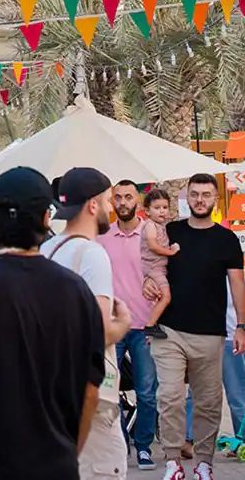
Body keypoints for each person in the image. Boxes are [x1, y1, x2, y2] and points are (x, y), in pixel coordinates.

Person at [0, 167, 121, 480]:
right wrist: (69, 454)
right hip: (55, 466)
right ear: (46, 218)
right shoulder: (75, 291)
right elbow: (89, 391)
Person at [144, 173, 245, 480]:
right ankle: (173, 461)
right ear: (186, 197)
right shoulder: (170, 231)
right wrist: (146, 281)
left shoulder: (227, 239)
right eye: (194, 194)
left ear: (215, 199)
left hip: (210, 333)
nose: (200, 200)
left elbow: (237, 284)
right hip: (169, 331)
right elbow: (151, 264)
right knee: (170, 397)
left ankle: (204, 462)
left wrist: (242, 326)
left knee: (208, 402)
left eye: (206, 194)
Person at [43, 167, 133, 479]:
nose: (112, 208)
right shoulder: (92, 254)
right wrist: (123, 323)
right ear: (93, 205)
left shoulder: (47, 249)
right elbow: (97, 333)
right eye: (108, 200)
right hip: (88, 393)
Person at [101, 180, 159, 470]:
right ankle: (121, 443)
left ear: (138, 200)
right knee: (110, 392)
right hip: (113, 327)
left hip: (145, 325)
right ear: (112, 201)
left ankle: (144, 446)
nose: (123, 202)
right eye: (118, 197)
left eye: (128, 197)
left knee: (147, 392)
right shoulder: (102, 238)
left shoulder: (151, 235)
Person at [183, 278, 245, 451]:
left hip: (231, 341)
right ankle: (188, 439)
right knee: (196, 392)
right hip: (205, 340)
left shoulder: (238, 279)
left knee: (237, 395)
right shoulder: (200, 275)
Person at [140, 189, 180, 339]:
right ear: (147, 211)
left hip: (159, 268)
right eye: (157, 208)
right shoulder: (150, 225)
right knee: (166, 297)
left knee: (158, 296)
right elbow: (152, 245)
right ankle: (150, 325)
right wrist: (171, 252)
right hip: (154, 267)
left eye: (165, 207)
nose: (162, 211)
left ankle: (155, 321)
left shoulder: (161, 226)